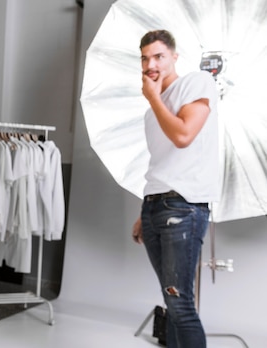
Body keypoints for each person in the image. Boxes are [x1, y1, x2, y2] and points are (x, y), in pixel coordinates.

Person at [131, 29, 219, 348]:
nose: (150, 64)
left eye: (158, 56)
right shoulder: (150, 111)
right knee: (172, 304)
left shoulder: (196, 83)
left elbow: (183, 137)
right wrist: (146, 210)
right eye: (144, 57)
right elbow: (162, 162)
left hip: (184, 206)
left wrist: (153, 97)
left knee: (181, 305)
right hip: (155, 205)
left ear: (174, 57)